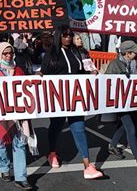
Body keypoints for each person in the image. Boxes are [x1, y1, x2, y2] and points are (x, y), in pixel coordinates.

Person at [41, 25, 103, 179]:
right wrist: (38, 74)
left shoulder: (76, 52)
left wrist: (91, 72)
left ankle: (87, 165)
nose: (68, 38)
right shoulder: (51, 54)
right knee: (56, 126)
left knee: (79, 128)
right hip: (57, 99)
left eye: (70, 35)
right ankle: (52, 152)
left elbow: (81, 70)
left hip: (75, 98)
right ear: (59, 37)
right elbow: (43, 71)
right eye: (65, 35)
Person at [0, 42, 35, 190]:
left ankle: (21, 177)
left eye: (10, 53)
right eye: (5, 53)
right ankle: (5, 167)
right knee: (1, 143)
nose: (8, 56)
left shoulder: (19, 69)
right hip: (0, 114)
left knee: (20, 143)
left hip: (17, 113)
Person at [105, 41, 137, 173]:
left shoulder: (134, 62)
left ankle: (112, 145)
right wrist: (120, 78)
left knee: (125, 125)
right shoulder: (114, 65)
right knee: (131, 129)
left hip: (132, 102)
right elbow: (107, 83)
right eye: (134, 52)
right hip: (120, 103)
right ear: (127, 54)